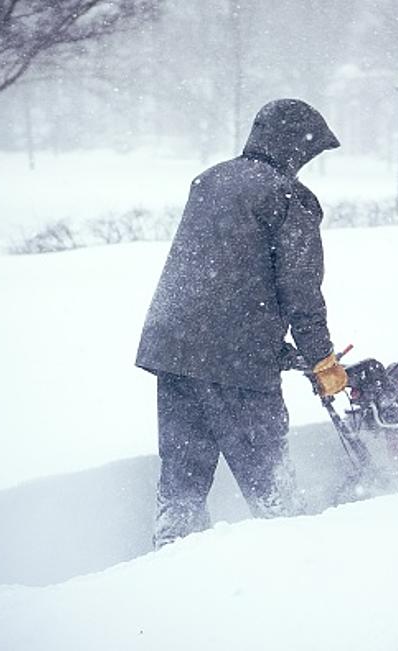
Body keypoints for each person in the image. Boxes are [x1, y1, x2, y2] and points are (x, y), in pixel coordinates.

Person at [135, 98, 348, 549]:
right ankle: (293, 562)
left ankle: (169, 564)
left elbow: (226, 275)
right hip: (235, 363)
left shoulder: (211, 180)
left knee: (182, 484)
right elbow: (301, 293)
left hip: (173, 348)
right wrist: (322, 361)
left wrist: (285, 352)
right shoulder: (288, 197)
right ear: (295, 147)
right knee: (272, 490)